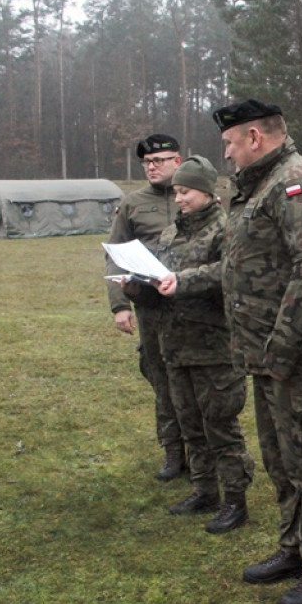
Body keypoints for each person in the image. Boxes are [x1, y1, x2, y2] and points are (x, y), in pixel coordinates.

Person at [212, 99, 302, 604]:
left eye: (229, 142)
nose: (225, 153)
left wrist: (281, 347)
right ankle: (293, 548)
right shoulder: (260, 184)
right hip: (266, 355)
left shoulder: (298, 180)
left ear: (254, 137)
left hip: (298, 355)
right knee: (279, 459)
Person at [151, 156, 255, 530]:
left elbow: (228, 273)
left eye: (186, 191)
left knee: (220, 426)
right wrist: (136, 282)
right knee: (190, 423)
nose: (178, 198)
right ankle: (204, 489)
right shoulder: (170, 234)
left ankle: (235, 499)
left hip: (214, 347)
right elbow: (159, 276)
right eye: (176, 191)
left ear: (209, 193)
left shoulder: (228, 231)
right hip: (176, 346)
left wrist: (183, 280)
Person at [105, 134, 188, 482]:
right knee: (161, 378)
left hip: (191, 305)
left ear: (178, 161)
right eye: (146, 163)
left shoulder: (196, 196)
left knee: (195, 380)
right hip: (151, 308)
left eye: (160, 160)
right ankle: (173, 452)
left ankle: (202, 452)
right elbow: (114, 251)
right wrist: (119, 306)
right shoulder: (133, 203)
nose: (152, 167)